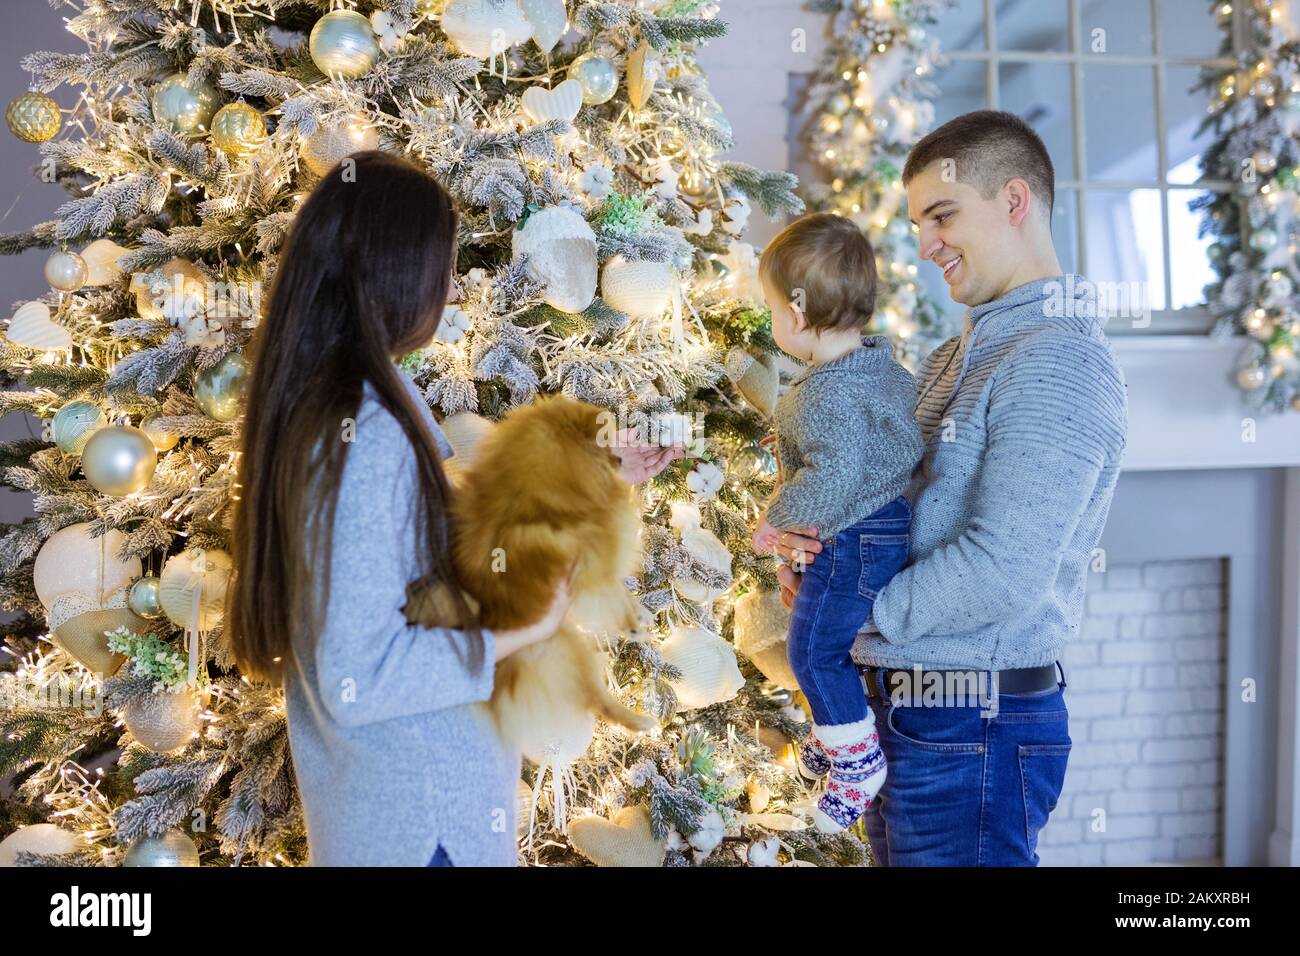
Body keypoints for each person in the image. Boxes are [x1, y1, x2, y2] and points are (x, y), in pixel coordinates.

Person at [226, 151, 680, 866]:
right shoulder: (363, 433)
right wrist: (525, 629)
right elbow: (362, 674)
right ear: (395, 273)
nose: (446, 284)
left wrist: (596, 468)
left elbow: (437, 521)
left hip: (398, 808)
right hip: (419, 820)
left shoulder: (347, 402)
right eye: (441, 263)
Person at [771, 111, 1128, 866]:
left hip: (977, 724)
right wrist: (812, 553)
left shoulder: (1057, 361)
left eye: (943, 215)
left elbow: (1005, 567)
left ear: (1015, 201)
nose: (925, 244)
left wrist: (852, 616)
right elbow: (879, 500)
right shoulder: (947, 357)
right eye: (918, 222)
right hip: (914, 713)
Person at [750, 212, 923, 833]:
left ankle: (857, 763)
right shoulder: (879, 368)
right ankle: (840, 733)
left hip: (854, 536)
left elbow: (833, 474)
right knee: (827, 639)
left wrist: (774, 522)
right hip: (881, 528)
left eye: (773, 309)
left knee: (812, 649)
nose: (775, 322)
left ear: (796, 316)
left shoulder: (822, 395)